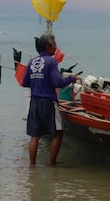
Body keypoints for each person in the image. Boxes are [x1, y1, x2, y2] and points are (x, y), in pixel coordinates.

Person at [22, 33, 78, 166]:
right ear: (48, 47)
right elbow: (57, 82)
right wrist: (71, 78)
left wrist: (39, 82)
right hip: (48, 102)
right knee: (58, 133)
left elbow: (25, 82)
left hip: (34, 101)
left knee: (35, 136)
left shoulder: (32, 61)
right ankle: (52, 164)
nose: (56, 48)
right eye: (54, 45)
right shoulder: (52, 61)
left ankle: (32, 165)